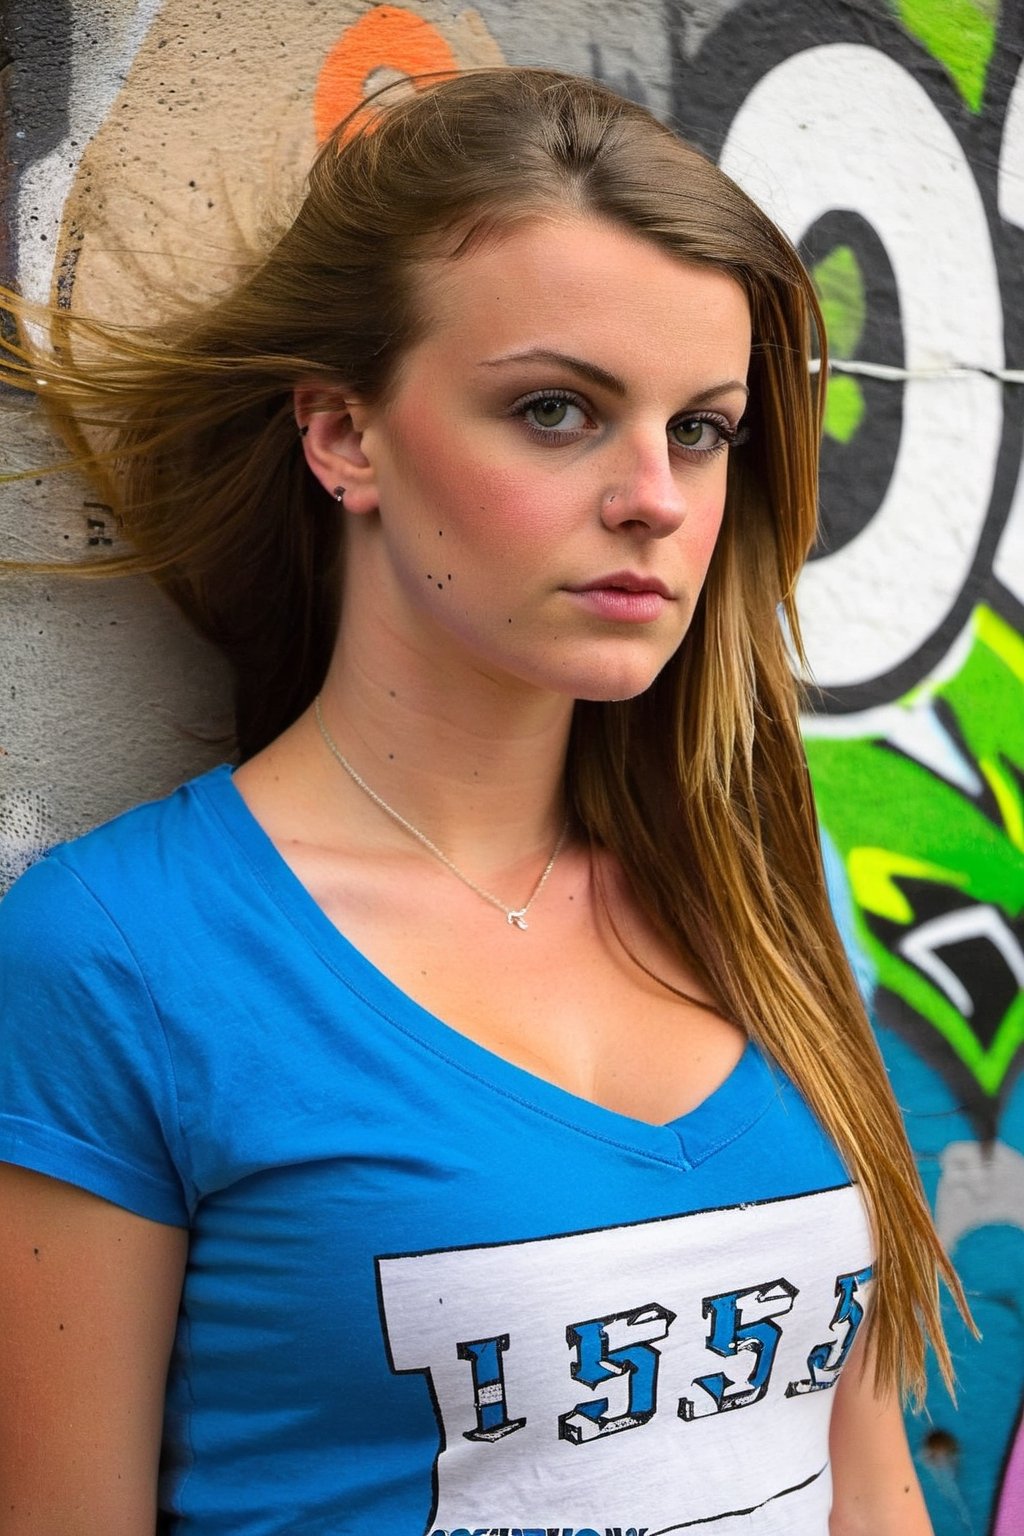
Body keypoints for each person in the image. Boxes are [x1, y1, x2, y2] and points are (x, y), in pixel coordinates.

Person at [0, 67, 965, 1536]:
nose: (654, 495)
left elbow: (868, 1481)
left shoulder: (772, 889)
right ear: (345, 436)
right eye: (559, 409)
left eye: (701, 428)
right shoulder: (124, 958)